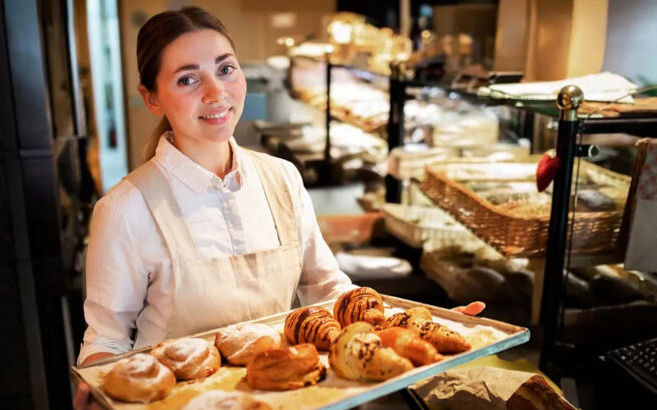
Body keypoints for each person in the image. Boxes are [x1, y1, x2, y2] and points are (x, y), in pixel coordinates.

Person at [73, 7, 483, 409]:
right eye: (187, 79)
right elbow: (107, 341)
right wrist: (97, 387)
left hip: (283, 397)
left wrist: (422, 328)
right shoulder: (126, 208)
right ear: (152, 98)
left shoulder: (282, 177)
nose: (216, 93)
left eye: (226, 69)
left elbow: (328, 290)